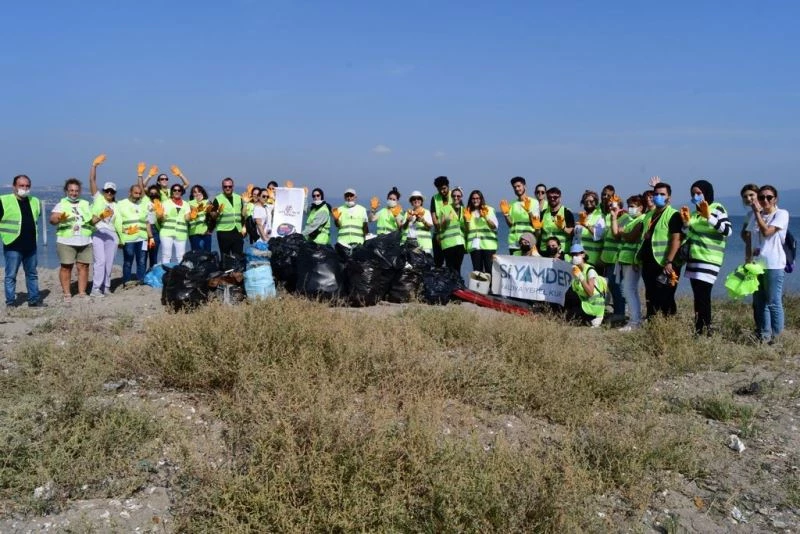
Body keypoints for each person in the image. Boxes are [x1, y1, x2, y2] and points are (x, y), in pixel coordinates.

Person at [683, 180, 732, 335]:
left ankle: (705, 329)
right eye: (693, 194)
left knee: (704, 296)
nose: (695, 196)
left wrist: (709, 216)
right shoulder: (695, 213)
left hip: (709, 260)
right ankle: (699, 328)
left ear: (707, 193)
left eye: (698, 193)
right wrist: (685, 224)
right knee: (698, 297)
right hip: (694, 260)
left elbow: (727, 230)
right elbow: (690, 236)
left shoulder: (716, 208)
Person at [750, 185, 789, 344]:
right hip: (757, 264)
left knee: (773, 301)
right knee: (759, 302)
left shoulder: (781, 214)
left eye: (769, 197)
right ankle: (764, 336)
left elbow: (767, 232)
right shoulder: (755, 216)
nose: (765, 200)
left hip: (774, 264)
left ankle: (778, 337)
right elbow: (750, 238)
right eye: (761, 197)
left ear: (775, 199)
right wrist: (748, 260)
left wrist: (757, 213)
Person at [638, 182, 683, 317]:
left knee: (666, 296)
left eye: (662, 194)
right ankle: (652, 324)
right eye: (656, 194)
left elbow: (676, 239)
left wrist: (669, 262)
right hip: (649, 262)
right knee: (650, 296)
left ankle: (668, 327)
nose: (658, 196)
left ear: (669, 197)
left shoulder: (673, 215)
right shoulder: (649, 214)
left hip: (665, 263)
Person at [49, 178, 98, 302]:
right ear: (66, 191)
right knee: (66, 267)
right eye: (71, 190)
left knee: (84, 266)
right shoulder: (61, 204)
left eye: (76, 191)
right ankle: (67, 294)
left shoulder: (85, 204)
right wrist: (59, 217)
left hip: (84, 240)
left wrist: (101, 217)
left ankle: (82, 292)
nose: (74, 193)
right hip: (66, 241)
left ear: (79, 191)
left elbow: (91, 221)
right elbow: (52, 220)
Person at [0, 174, 42, 307]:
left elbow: (36, 218)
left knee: (32, 274)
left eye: (27, 186)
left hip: (31, 245)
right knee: (11, 275)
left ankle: (34, 300)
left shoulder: (35, 201)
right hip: (12, 244)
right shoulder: (4, 200)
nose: (25, 188)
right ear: (14, 187)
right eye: (21, 185)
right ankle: (11, 302)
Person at [614, 195, 646, 331]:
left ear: (641, 207)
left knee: (629, 290)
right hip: (626, 259)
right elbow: (617, 233)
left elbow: (632, 237)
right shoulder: (631, 221)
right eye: (629, 206)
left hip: (633, 260)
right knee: (628, 290)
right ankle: (635, 319)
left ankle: (635, 322)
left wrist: (623, 233)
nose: (630, 209)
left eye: (633, 206)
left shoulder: (641, 219)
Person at [87, 154, 117, 297]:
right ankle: (95, 289)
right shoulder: (98, 198)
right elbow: (92, 180)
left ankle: (106, 286)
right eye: (107, 190)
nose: (109, 193)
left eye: (112, 191)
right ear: (104, 191)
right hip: (98, 231)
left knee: (109, 262)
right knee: (100, 261)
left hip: (112, 234)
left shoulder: (116, 205)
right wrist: (94, 165)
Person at [599, 188, 627, 319]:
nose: (611, 207)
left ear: (620, 206)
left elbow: (618, 236)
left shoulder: (625, 217)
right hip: (609, 259)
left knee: (618, 287)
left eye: (614, 205)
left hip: (617, 259)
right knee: (612, 285)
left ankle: (620, 313)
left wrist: (615, 217)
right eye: (609, 205)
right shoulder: (609, 217)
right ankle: (618, 311)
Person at [564, 243, 606, 327]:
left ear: (583, 254)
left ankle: (597, 317)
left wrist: (581, 278)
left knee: (570, 317)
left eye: (576, 254)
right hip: (584, 301)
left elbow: (590, 292)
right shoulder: (576, 269)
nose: (574, 257)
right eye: (572, 255)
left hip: (594, 305)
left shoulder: (590, 270)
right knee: (568, 295)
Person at [114, 184, 149, 286]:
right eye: (135, 193)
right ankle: (126, 281)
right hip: (128, 238)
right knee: (128, 261)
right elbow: (117, 222)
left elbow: (147, 221)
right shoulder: (121, 204)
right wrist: (120, 238)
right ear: (130, 192)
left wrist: (150, 237)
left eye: (139, 193)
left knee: (142, 261)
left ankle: (141, 280)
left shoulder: (143, 204)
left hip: (142, 237)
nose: (137, 195)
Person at [500, 176, 539, 255]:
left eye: (519, 186)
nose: (517, 189)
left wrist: (529, 211)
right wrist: (506, 214)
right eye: (514, 187)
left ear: (524, 186)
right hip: (514, 243)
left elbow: (534, 224)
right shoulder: (512, 204)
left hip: (528, 241)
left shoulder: (534, 202)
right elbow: (510, 224)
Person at [463, 189, 498, 273]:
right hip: (474, 246)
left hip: (488, 246)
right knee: (477, 271)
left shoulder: (489, 209)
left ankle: (491, 286)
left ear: (481, 199)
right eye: (473, 198)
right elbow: (467, 230)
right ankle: (479, 286)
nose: (475, 200)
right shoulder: (467, 211)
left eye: (477, 198)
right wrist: (467, 220)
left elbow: (494, 226)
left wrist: (486, 217)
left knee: (489, 270)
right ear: (470, 200)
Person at [210, 177, 244, 256]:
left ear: (233, 186)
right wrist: (217, 212)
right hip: (224, 232)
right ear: (222, 187)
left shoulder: (239, 198)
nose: (227, 188)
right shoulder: (218, 199)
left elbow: (243, 215)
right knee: (225, 256)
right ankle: (226, 269)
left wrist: (244, 228)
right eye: (225, 186)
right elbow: (213, 217)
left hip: (237, 231)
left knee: (238, 256)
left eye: (230, 186)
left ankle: (238, 268)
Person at [436, 186, 466, 273]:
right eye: (454, 196)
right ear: (451, 197)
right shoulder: (444, 209)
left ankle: (458, 286)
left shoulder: (464, 210)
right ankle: (451, 286)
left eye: (458, 196)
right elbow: (441, 226)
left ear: (461, 197)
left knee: (458, 268)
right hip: (448, 244)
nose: (456, 198)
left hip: (460, 243)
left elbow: (465, 228)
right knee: (450, 268)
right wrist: (446, 220)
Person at [540, 187, 574, 258]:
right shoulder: (543, 213)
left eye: (555, 197)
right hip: (545, 250)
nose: (552, 199)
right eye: (549, 197)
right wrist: (537, 228)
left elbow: (572, 232)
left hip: (561, 252)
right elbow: (540, 233)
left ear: (560, 198)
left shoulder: (566, 213)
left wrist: (563, 228)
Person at [158, 184, 189, 263]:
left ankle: (180, 273)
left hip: (181, 233)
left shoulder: (186, 204)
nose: (177, 192)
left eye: (179, 190)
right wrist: (160, 215)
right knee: (166, 255)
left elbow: (187, 218)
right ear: (172, 192)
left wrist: (192, 215)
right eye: (175, 190)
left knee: (181, 255)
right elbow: (162, 218)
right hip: (166, 233)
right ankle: (166, 273)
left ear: (181, 192)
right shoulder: (165, 203)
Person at [573, 190, 604, 266]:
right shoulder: (581, 216)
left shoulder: (600, 217)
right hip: (580, 258)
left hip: (593, 260)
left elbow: (599, 235)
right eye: (586, 201)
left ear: (596, 202)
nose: (588, 202)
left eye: (591, 201)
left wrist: (586, 225)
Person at [430, 176, 451, 267]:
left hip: (452, 236)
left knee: (451, 263)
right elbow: (434, 218)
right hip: (438, 234)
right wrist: (440, 230)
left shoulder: (454, 195)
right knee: (438, 263)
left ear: (448, 186)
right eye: (439, 189)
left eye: (444, 188)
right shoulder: (434, 198)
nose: (442, 191)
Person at [187, 185, 213, 251]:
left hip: (206, 232)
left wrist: (210, 230)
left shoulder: (208, 202)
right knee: (196, 254)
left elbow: (212, 218)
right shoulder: (189, 203)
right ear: (192, 194)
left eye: (199, 191)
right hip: (194, 232)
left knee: (207, 254)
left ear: (202, 193)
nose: (197, 194)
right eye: (195, 192)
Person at [739, 183, 759, 262]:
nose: (748, 198)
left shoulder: (765, 213)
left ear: (758, 195)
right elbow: (746, 236)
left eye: (751, 195)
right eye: (745, 196)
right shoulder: (749, 215)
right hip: (753, 256)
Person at [144, 185, 163, 269]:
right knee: (143, 254)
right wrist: (141, 175)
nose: (153, 195)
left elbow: (161, 218)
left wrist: (160, 214)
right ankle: (142, 275)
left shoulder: (160, 204)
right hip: (145, 230)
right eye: (151, 193)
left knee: (153, 254)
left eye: (155, 193)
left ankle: (152, 273)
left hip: (155, 231)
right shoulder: (145, 201)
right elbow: (142, 187)